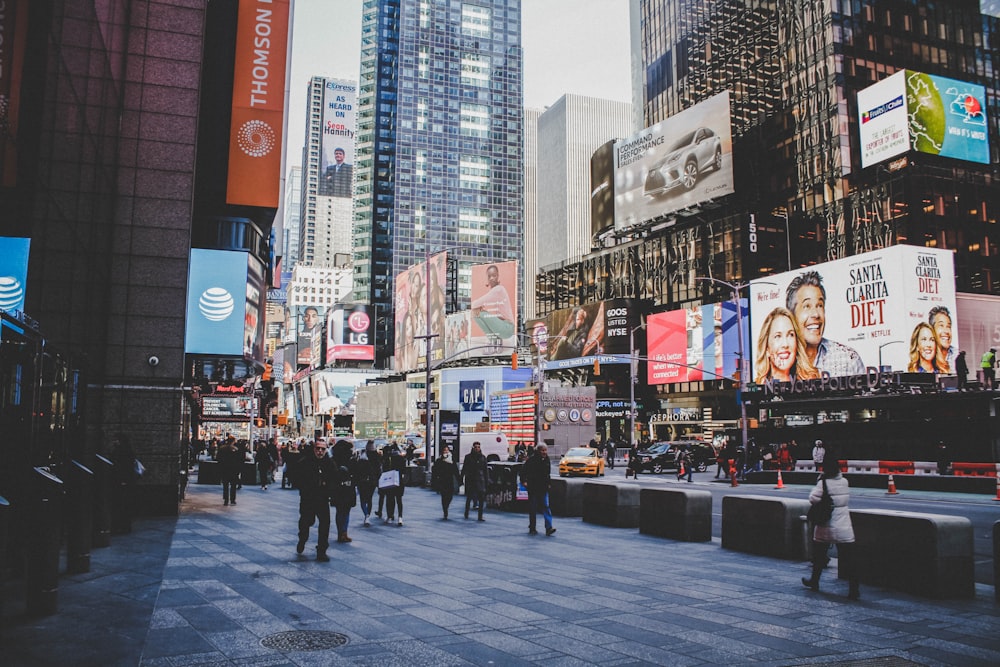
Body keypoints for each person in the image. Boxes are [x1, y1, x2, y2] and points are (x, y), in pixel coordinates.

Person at [802, 449, 859, 600]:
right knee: (849, 558)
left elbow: (813, 499)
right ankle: (854, 589)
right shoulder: (845, 481)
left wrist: (820, 480)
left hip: (826, 524)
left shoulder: (823, 482)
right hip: (843, 524)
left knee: (819, 555)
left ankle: (814, 581)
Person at [785, 271, 865, 377]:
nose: (815, 314)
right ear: (791, 315)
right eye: (807, 306)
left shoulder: (848, 359)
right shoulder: (782, 360)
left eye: (819, 305)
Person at [753, 306, 820, 383]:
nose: (785, 344)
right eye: (778, 336)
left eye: (790, 335)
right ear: (767, 348)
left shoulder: (811, 384)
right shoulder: (757, 389)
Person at [295, 438, 334, 561]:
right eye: (318, 448)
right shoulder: (305, 462)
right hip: (308, 498)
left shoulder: (329, 463)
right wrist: (304, 488)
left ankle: (321, 550)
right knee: (306, 521)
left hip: (322, 499)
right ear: (314, 449)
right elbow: (297, 477)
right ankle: (302, 539)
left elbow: (335, 479)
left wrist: (329, 491)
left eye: (323, 449)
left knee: (325, 523)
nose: (320, 451)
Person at [471, 264, 515, 342]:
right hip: (504, 326)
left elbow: (474, 304)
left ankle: (493, 342)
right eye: (489, 276)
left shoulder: (498, 290)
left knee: (476, 313)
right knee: (478, 312)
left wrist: (478, 308)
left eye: (494, 275)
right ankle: (496, 342)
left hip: (507, 327)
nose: (491, 278)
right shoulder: (496, 290)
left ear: (498, 276)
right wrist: (479, 307)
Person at [521, 444, 556, 536]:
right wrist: (524, 481)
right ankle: (532, 527)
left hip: (543, 488)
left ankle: (549, 527)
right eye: (542, 450)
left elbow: (547, 474)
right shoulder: (531, 461)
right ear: (538, 451)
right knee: (533, 508)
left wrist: (548, 483)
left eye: (545, 450)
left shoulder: (547, 460)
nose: (544, 452)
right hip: (533, 487)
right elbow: (523, 471)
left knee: (546, 506)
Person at [110, 434, 140, 533]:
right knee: (125, 504)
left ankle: (121, 525)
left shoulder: (121, 452)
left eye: (116, 440)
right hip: (126, 481)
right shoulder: (128, 451)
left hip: (122, 481)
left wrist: (123, 480)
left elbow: (123, 467)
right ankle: (125, 525)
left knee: (121, 504)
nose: (115, 441)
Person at [330, 440, 357, 543]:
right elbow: (355, 473)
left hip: (337, 488)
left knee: (339, 511)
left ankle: (340, 533)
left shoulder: (333, 460)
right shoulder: (350, 459)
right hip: (348, 487)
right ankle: (344, 533)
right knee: (346, 511)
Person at [430, 446, 461, 519]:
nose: (446, 452)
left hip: (449, 480)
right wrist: (435, 482)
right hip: (442, 481)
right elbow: (435, 471)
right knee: (444, 496)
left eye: (447, 450)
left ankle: (446, 506)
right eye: (444, 450)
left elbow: (455, 471)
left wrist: (459, 480)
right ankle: (445, 510)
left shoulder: (451, 460)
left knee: (450, 496)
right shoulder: (439, 460)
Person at [355, 441, 381, 526]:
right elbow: (379, 471)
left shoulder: (362, 457)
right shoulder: (377, 458)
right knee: (369, 499)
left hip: (362, 481)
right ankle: (368, 516)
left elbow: (357, 470)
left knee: (363, 499)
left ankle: (366, 514)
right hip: (372, 481)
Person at [461, 441, 488, 521]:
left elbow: (485, 470)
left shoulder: (483, 457)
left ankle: (480, 516)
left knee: (481, 499)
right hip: (471, 480)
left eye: (478, 447)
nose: (477, 448)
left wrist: (486, 481)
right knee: (469, 498)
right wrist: (461, 478)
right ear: (473, 448)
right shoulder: (468, 457)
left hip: (480, 480)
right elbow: (464, 468)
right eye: (475, 447)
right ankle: (466, 513)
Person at [383, 444, 407, 526]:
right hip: (399, 481)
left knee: (390, 499)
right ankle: (400, 517)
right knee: (399, 500)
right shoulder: (401, 459)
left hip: (390, 481)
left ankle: (390, 516)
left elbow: (384, 469)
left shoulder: (388, 459)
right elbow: (404, 471)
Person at [216, 436, 242, 506]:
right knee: (233, 485)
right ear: (233, 441)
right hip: (233, 470)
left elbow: (218, 459)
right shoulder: (236, 449)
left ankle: (226, 500)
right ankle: (232, 500)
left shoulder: (222, 449)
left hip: (224, 469)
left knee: (225, 485)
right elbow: (239, 460)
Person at [928, 306, 955, 373]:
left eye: (948, 326)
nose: (946, 331)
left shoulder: (956, 354)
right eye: (941, 325)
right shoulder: (925, 356)